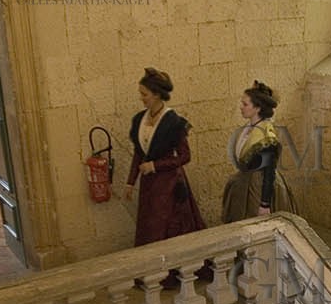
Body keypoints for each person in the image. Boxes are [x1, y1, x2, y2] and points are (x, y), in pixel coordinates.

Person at [124, 68, 206, 247]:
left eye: (144, 94)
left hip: (169, 185)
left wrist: (155, 165)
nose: (141, 98)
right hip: (149, 186)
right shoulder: (139, 120)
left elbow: (185, 156)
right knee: (150, 226)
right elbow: (139, 152)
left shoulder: (173, 122)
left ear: (156, 95)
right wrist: (130, 182)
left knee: (167, 227)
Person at [222, 81, 297, 221]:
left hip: (259, 187)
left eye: (245, 104)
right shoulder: (248, 128)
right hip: (244, 182)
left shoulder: (266, 136)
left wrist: (264, 204)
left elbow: (269, 171)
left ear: (257, 108)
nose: (241, 107)